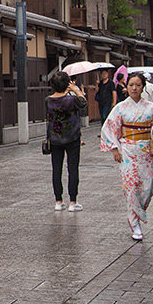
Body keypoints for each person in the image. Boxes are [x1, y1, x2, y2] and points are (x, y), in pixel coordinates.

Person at [100, 72, 153, 241]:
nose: (134, 88)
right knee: (130, 186)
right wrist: (115, 148)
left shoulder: (151, 107)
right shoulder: (120, 108)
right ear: (126, 87)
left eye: (137, 85)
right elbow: (108, 128)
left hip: (145, 150)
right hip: (128, 149)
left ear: (143, 87)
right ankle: (134, 222)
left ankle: (139, 210)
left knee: (149, 186)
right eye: (131, 85)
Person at [46, 71, 87, 212]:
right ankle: (73, 202)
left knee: (56, 169)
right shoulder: (71, 100)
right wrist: (76, 90)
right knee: (72, 168)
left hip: (55, 138)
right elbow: (83, 103)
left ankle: (58, 201)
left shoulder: (48, 100)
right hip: (72, 137)